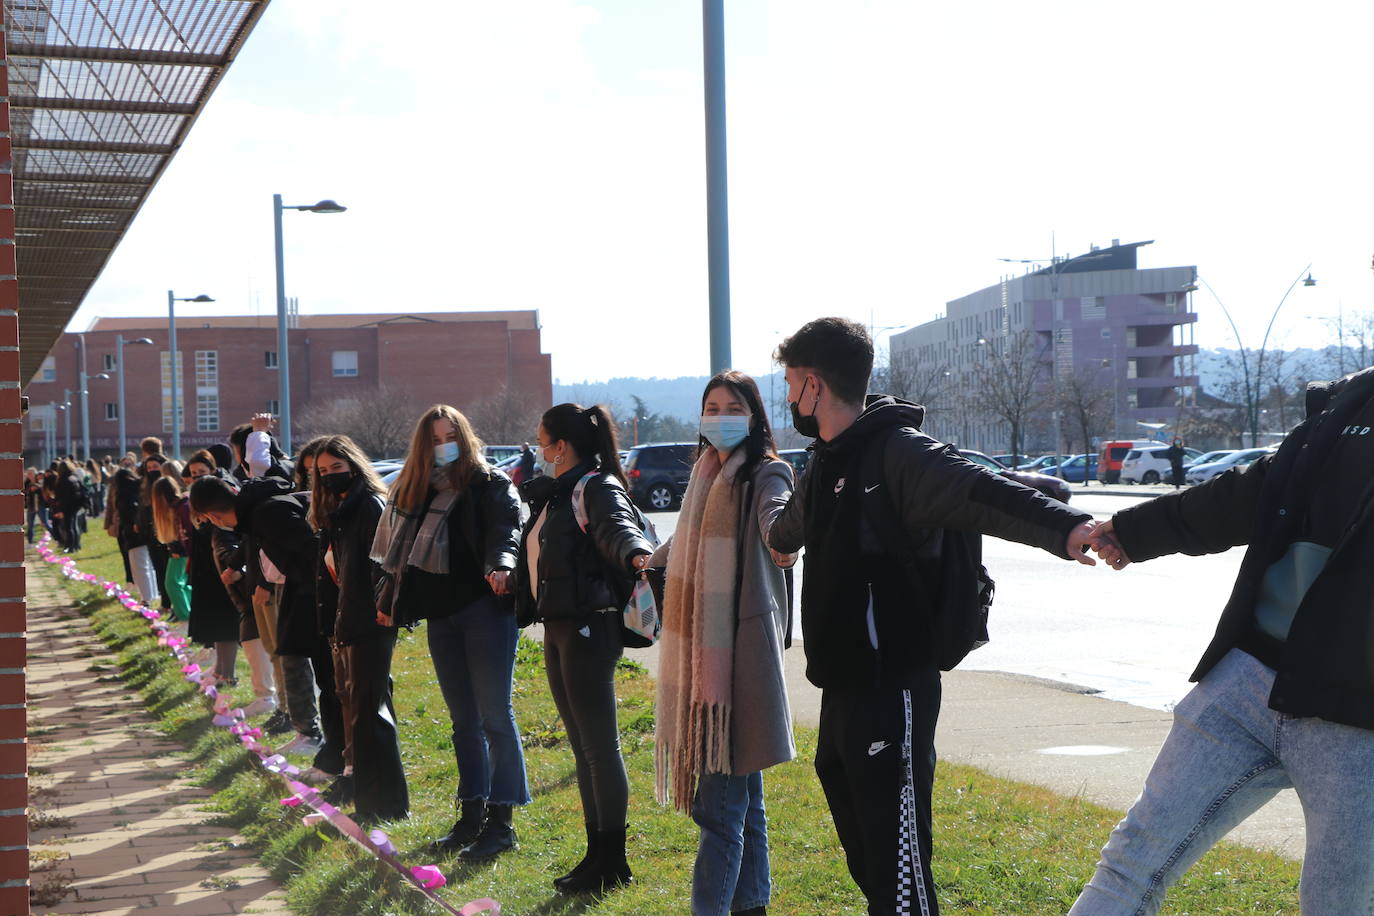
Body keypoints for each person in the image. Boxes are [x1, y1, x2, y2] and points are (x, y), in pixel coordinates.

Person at [766, 318, 1099, 916]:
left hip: (893, 685)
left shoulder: (898, 453)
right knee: (866, 853)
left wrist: (1066, 529)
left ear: (813, 385)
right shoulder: (828, 461)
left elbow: (983, 492)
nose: (789, 398)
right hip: (842, 684)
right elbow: (793, 524)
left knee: (899, 866)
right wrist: (776, 536)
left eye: (791, 383)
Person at [1071, 366, 1374, 915]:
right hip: (1248, 680)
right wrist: (1136, 532)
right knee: (1130, 861)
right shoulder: (1350, 400)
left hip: (1358, 718)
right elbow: (1256, 490)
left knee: (1338, 905)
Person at [649, 371, 796, 916]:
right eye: (710, 407)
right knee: (744, 803)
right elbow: (685, 539)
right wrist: (648, 559)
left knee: (720, 815)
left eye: (731, 407)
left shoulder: (766, 473)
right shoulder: (705, 475)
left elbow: (777, 527)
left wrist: (785, 545)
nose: (719, 416)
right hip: (710, 660)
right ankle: (751, 906)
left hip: (736, 665)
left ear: (755, 416)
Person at [372, 406, 527, 857]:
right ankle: (470, 816)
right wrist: (388, 603)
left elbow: (506, 531)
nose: (445, 445)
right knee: (464, 723)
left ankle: (502, 824)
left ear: (466, 435)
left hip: (485, 610)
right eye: (435, 439)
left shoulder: (490, 484)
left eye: (451, 435)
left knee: (496, 716)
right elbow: (394, 560)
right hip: (441, 617)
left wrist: (501, 564)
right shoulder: (415, 491)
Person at [514, 403, 654, 894]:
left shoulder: (594, 486)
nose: (538, 450)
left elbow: (616, 529)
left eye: (542, 441)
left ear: (562, 446)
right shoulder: (559, 493)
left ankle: (613, 860)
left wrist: (637, 553)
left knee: (599, 748)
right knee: (583, 749)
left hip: (590, 627)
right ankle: (596, 853)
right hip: (560, 625)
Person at [190, 474, 345, 784]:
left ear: (212, 516)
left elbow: (313, 549)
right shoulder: (254, 510)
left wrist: (321, 590)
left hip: (311, 595)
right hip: (297, 591)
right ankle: (330, 749)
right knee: (303, 664)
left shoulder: (265, 513)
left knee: (326, 678)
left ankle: (334, 753)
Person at [309, 435, 410, 823]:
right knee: (364, 714)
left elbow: (385, 564)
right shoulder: (341, 510)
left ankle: (384, 805)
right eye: (322, 472)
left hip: (370, 619)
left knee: (372, 714)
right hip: (349, 619)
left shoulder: (368, 505)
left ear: (353, 464)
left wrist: (383, 607)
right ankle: (373, 802)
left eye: (337, 468)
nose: (330, 477)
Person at [185, 450, 279, 721]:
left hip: (259, 592)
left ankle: (272, 700)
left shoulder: (247, 518)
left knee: (273, 650)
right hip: (244, 595)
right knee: (255, 643)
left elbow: (255, 546)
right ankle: (268, 697)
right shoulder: (225, 526)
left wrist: (242, 571)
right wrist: (235, 567)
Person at [148, 470, 194, 625]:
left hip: (181, 553)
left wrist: (178, 551)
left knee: (172, 584)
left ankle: (185, 618)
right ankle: (187, 614)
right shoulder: (179, 506)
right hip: (181, 552)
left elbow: (185, 533)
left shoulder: (180, 507)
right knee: (183, 584)